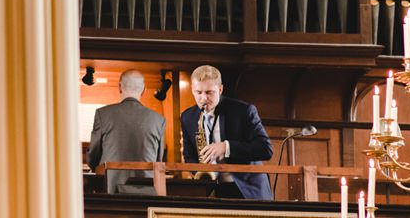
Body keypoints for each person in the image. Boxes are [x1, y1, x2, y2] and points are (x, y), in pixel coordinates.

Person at [178, 65, 274, 202]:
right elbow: (189, 155)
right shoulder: (187, 117)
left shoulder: (243, 111)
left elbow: (265, 150)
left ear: (220, 89)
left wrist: (226, 147)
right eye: (198, 92)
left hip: (245, 190)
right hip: (212, 190)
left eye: (209, 92)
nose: (203, 98)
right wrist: (201, 172)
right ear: (192, 90)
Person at [89, 69, 166, 196]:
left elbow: (93, 157)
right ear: (144, 90)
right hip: (146, 191)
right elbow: (158, 161)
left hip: (110, 189)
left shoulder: (103, 114)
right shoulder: (159, 120)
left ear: (119, 87)